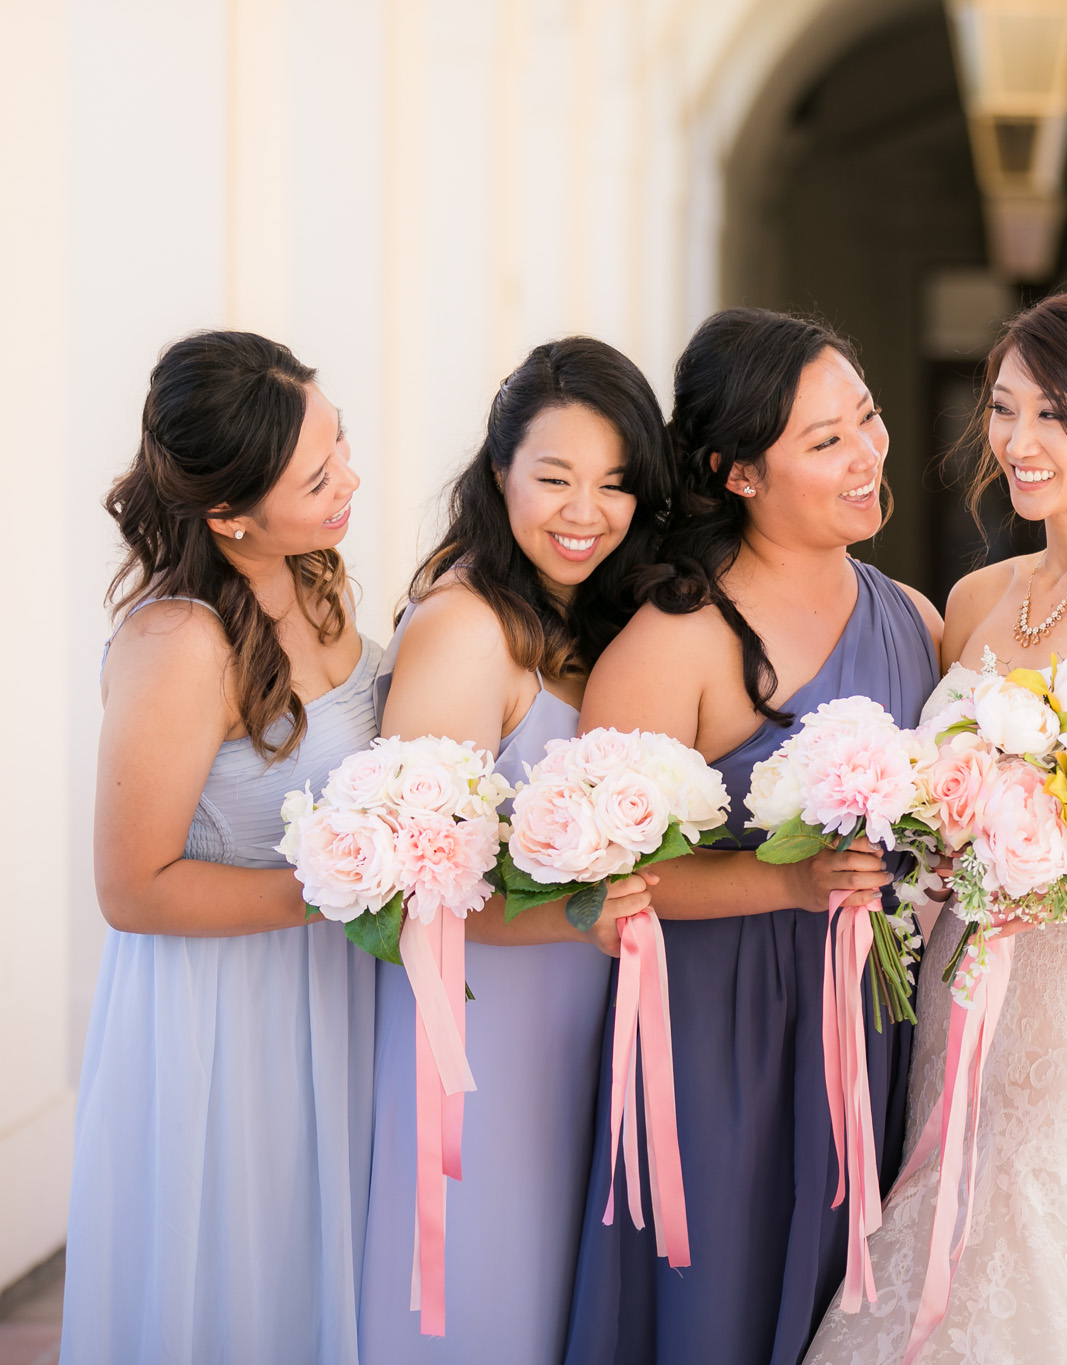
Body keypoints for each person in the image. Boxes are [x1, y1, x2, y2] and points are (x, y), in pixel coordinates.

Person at [804, 290, 1067, 1365]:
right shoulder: (976, 594)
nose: (1020, 441)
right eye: (1005, 409)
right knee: (946, 1202)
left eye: (1057, 414)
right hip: (964, 970)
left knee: (1058, 1226)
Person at [561, 309, 941, 1365]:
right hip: (720, 1034)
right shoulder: (674, 641)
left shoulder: (913, 615)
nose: (866, 453)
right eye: (825, 442)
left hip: (877, 1017)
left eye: (864, 420)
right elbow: (601, 884)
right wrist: (789, 886)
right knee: (720, 1303)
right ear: (736, 473)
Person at [65, 331, 376, 1365]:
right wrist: (343, 886)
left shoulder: (314, 575)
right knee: (243, 1290)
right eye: (317, 476)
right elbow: (133, 887)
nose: (349, 481)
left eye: (341, 448)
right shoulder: (178, 642)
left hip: (337, 992)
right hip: (225, 1021)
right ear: (229, 512)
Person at [356, 337, 663, 1362]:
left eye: (616, 484)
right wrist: (583, 912)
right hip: (484, 1032)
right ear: (498, 474)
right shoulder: (465, 628)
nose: (587, 512)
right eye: (556, 479)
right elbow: (413, 887)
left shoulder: (599, 616)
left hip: (582, 1016)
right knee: (488, 1291)